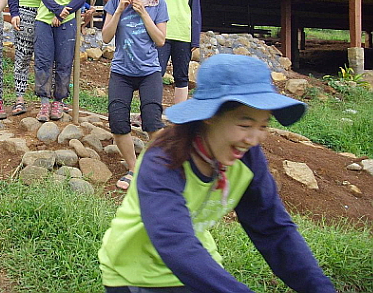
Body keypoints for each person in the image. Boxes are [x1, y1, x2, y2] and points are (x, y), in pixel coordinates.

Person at [99, 54, 336, 293]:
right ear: (210, 116)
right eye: (244, 125)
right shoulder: (162, 159)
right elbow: (174, 242)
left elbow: (273, 228)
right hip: (135, 274)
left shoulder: (247, 157)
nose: (254, 139)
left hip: (198, 263)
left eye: (263, 125)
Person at [102, 0, 168, 190]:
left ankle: (156, 167)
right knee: (118, 121)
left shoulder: (159, 4)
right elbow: (106, 37)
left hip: (149, 71)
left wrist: (143, 13)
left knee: (153, 122)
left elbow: (160, 40)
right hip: (121, 71)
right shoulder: (116, 2)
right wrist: (119, 10)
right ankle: (133, 168)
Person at [35, 0, 90, 121]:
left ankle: (59, 101)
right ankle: (43, 102)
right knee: (43, 60)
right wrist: (57, 10)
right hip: (44, 20)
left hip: (68, 22)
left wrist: (65, 11)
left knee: (65, 62)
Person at [151, 0, 201, 105]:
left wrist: (195, 38)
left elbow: (195, 7)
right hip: (160, 33)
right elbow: (151, 5)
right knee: (155, 73)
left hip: (183, 33)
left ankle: (180, 116)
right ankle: (151, 111)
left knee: (181, 76)